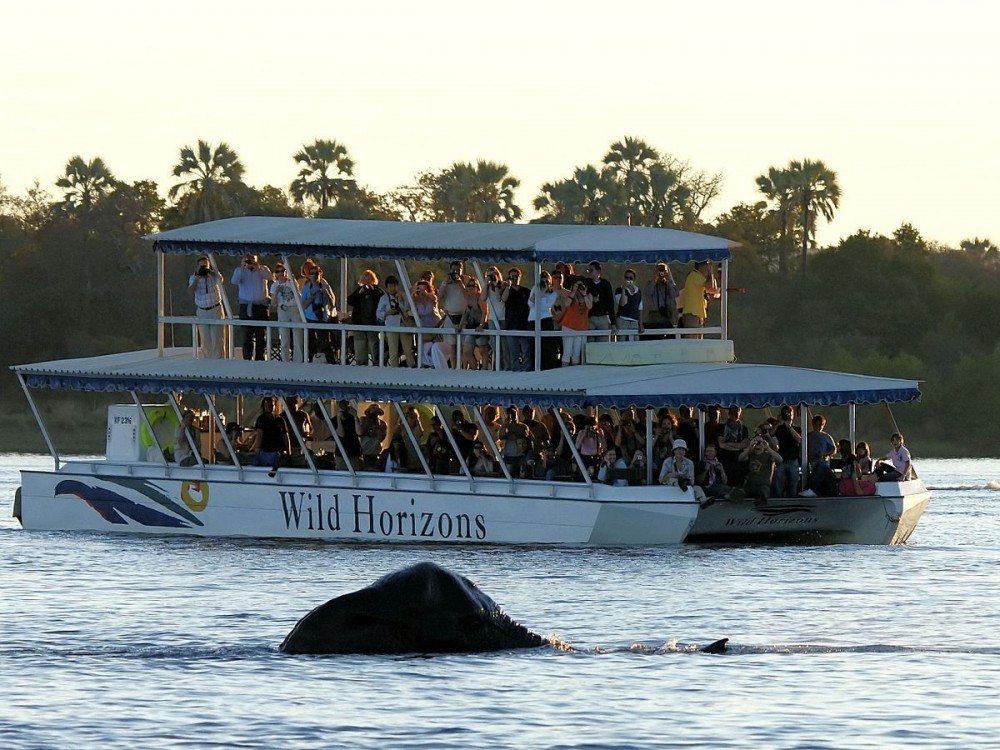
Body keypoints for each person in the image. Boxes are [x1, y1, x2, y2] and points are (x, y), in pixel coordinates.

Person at [231, 254, 272, 360]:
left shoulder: (263, 269)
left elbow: (270, 277)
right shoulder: (239, 271)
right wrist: (242, 267)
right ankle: (247, 359)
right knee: (246, 336)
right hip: (246, 307)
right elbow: (234, 281)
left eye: (252, 259)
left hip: (260, 307)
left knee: (260, 336)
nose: (250, 261)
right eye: (248, 259)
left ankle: (260, 358)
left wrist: (257, 266)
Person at [188, 256, 226, 359]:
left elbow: (221, 280)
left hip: (215, 309)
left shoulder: (213, 276)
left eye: (205, 265)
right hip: (202, 310)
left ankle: (219, 361)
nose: (204, 268)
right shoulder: (193, 278)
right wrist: (197, 276)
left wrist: (210, 272)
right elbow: (191, 291)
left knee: (217, 338)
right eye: (202, 266)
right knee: (205, 339)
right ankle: (207, 361)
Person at [346, 269, 384, 366]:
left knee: (374, 347)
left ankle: (377, 365)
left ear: (373, 280)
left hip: (372, 324)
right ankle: (361, 365)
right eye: (365, 280)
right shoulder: (359, 291)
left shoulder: (377, 291)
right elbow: (350, 301)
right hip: (359, 323)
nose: (367, 282)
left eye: (369, 279)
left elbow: (382, 299)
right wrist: (359, 293)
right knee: (360, 348)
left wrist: (372, 291)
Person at [300, 265, 337, 363]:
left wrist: (327, 294)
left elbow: (332, 305)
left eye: (317, 273)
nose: (315, 276)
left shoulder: (325, 286)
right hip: (310, 318)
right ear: (309, 275)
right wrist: (312, 297)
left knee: (325, 343)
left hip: (323, 318)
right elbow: (303, 305)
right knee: (311, 344)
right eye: (312, 274)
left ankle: (331, 363)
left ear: (320, 273)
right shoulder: (306, 288)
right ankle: (312, 363)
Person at [732, 433, 782, 503]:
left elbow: (780, 459)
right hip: (750, 484)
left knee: (762, 494)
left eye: (760, 442)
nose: (758, 444)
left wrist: (768, 447)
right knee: (738, 493)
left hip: (763, 485)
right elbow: (740, 459)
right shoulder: (750, 454)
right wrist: (750, 447)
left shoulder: (768, 455)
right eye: (756, 442)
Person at [376, 275, 413, 367]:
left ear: (397, 286)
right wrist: (388, 312)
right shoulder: (384, 298)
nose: (392, 288)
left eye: (394, 286)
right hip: (391, 326)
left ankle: (412, 367)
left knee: (408, 349)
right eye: (390, 286)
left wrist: (402, 300)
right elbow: (378, 313)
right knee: (393, 351)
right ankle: (394, 370)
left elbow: (408, 308)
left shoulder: (403, 295)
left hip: (403, 324)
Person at [269, 263, 302, 363]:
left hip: (294, 308)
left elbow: (298, 294)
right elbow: (273, 303)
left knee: (297, 336)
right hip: (282, 309)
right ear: (275, 274)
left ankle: (298, 360)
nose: (281, 273)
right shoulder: (274, 285)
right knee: (284, 336)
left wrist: (292, 284)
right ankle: (285, 360)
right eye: (278, 271)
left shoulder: (291, 282)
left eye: (282, 271)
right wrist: (276, 292)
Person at [500, 268, 532, 371]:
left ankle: (527, 370)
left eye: (516, 276)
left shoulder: (526, 291)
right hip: (511, 325)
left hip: (524, 325)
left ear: (520, 277)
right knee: (514, 352)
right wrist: (507, 287)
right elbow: (504, 299)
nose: (514, 278)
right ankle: (516, 371)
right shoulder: (507, 290)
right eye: (512, 276)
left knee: (526, 351)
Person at [678, 260, 719, 338]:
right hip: (692, 313)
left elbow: (713, 289)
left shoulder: (700, 278)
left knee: (698, 342)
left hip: (698, 314)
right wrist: (710, 273)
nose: (708, 267)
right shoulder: (694, 275)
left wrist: (712, 275)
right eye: (707, 265)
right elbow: (710, 285)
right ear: (701, 266)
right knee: (692, 341)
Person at [528, 271, 559, 370]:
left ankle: (547, 368)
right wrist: (539, 292)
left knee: (547, 347)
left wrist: (544, 292)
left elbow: (544, 307)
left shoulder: (552, 293)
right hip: (533, 320)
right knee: (533, 346)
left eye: (546, 280)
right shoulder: (535, 289)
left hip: (545, 320)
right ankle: (534, 367)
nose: (544, 282)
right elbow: (531, 303)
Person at [557, 279, 592, 366]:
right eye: (578, 286)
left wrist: (584, 294)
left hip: (581, 328)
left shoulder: (588, 296)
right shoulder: (570, 295)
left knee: (576, 353)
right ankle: (564, 371)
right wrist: (573, 292)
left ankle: (574, 373)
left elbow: (589, 306)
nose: (579, 288)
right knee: (567, 352)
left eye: (581, 286)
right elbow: (566, 304)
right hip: (568, 326)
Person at [252, 397, 290, 475]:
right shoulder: (261, 420)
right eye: (267, 405)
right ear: (263, 406)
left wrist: (289, 450)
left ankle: (274, 472)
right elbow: (259, 435)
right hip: (265, 450)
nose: (269, 407)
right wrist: (257, 450)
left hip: (278, 450)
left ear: (275, 406)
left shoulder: (280, 420)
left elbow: (285, 435)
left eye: (271, 405)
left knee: (280, 462)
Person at [480, 266, 508, 370]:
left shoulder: (503, 285)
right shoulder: (487, 287)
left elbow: (498, 298)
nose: (492, 277)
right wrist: (486, 284)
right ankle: (497, 368)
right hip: (492, 319)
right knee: (496, 347)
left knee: (504, 347)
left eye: (493, 275)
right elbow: (482, 298)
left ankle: (506, 368)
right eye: (489, 275)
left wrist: (496, 285)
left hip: (503, 318)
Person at [772, 406, 803, 497]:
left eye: (789, 414)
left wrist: (789, 427)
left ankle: (792, 500)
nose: (788, 416)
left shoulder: (796, 428)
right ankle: (777, 500)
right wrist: (778, 423)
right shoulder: (778, 428)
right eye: (785, 414)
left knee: (793, 484)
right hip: (780, 460)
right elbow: (771, 435)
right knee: (778, 484)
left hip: (793, 459)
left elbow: (799, 440)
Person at [717, 406, 750, 486]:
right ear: (729, 413)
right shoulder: (722, 427)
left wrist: (728, 444)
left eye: (737, 411)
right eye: (732, 411)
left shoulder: (744, 428)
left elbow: (745, 444)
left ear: (740, 412)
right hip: (725, 458)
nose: (734, 413)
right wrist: (738, 446)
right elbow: (721, 445)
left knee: (739, 480)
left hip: (739, 458)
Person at [644, 262, 679, 336]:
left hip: (666, 315)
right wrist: (654, 279)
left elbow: (674, 294)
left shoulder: (668, 284)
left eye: (663, 271)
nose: (661, 273)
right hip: (654, 316)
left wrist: (669, 278)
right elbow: (648, 293)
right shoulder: (650, 283)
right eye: (660, 270)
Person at [412, 279, 441, 367]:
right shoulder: (417, 300)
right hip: (423, 327)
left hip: (435, 326)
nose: (421, 291)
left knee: (435, 346)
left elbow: (435, 299)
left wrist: (426, 293)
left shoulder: (431, 298)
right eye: (419, 289)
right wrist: (413, 293)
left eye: (423, 289)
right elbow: (408, 305)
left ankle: (436, 363)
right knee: (422, 346)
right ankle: (423, 363)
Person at [585, 261, 617, 340]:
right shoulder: (586, 283)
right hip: (590, 317)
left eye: (591, 270)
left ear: (598, 271)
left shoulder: (605, 284)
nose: (589, 272)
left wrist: (613, 322)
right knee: (590, 343)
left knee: (602, 343)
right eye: (588, 270)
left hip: (603, 316)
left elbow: (610, 304)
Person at [332, 400, 362, 471]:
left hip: (354, 453)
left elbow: (359, 432)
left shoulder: (352, 418)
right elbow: (341, 434)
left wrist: (355, 416)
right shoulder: (334, 420)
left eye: (346, 406)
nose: (344, 408)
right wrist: (339, 419)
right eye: (342, 406)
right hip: (341, 454)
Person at [356, 403, 388, 469]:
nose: (374, 415)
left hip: (375, 453)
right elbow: (360, 432)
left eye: (376, 413)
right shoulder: (363, 420)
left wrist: (377, 427)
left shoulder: (382, 424)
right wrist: (368, 421)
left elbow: (381, 438)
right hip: (365, 452)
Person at [614, 268, 643, 340]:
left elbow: (640, 308)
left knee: (635, 342)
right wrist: (623, 290)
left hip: (634, 321)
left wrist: (641, 324)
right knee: (622, 341)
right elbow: (622, 303)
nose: (628, 279)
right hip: (622, 320)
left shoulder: (638, 291)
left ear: (634, 279)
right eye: (626, 277)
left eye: (631, 278)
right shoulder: (619, 290)